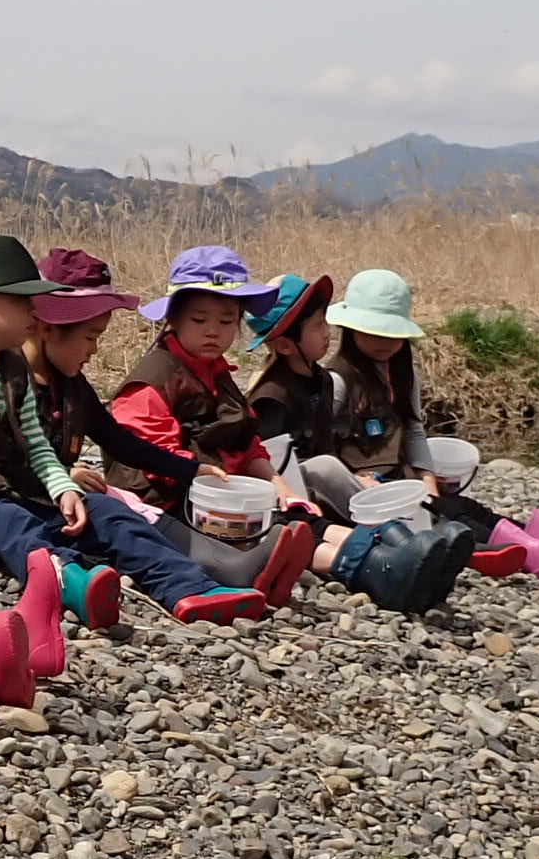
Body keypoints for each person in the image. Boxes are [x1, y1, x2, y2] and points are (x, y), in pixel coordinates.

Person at [0, 236, 268, 633]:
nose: (35, 313)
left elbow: (35, 446)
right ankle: (72, 581)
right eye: (24, 303)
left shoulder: (12, 372)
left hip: (10, 489)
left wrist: (63, 489)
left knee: (109, 514)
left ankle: (190, 588)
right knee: (11, 526)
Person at [113, 249, 468, 615]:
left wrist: (279, 487)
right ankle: (376, 569)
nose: (213, 331)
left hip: (226, 491)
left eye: (226, 322)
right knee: (281, 529)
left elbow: (248, 444)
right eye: (200, 319)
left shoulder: (215, 372)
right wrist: (231, 487)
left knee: (299, 515)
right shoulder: (151, 382)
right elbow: (153, 456)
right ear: (173, 319)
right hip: (174, 500)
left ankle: (396, 557)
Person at [247, 271, 539, 584]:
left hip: (391, 478)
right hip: (359, 485)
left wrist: (426, 475)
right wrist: (358, 477)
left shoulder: (395, 375)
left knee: (458, 503)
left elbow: (414, 427)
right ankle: (516, 552)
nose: (385, 342)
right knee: (440, 511)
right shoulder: (329, 381)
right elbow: (307, 455)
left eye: (392, 334)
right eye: (373, 333)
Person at [16, 250, 316, 612]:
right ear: (48, 328)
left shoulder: (72, 385)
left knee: (121, 511)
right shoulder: (10, 383)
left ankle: (229, 567)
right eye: (90, 338)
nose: (95, 351)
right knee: (128, 513)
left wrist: (193, 470)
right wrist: (63, 475)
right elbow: (4, 454)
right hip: (33, 497)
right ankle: (208, 578)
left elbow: (121, 442)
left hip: (62, 492)